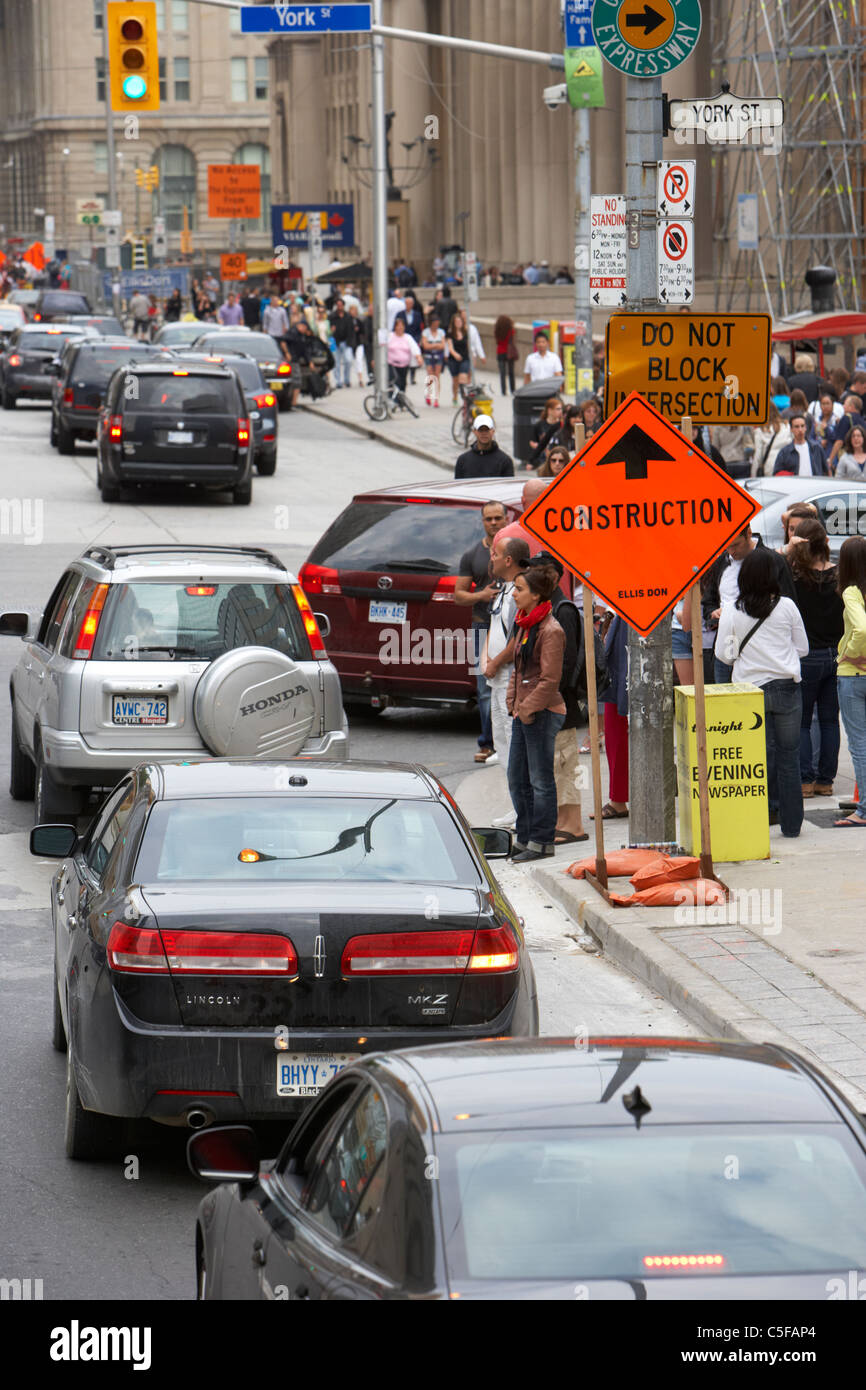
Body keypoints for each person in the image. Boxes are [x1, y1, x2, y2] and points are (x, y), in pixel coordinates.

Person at [716, 548, 809, 837]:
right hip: (786, 689)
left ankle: (756, 822)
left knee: (755, 759)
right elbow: (803, 648)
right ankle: (792, 826)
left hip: (749, 690)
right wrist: (780, 656)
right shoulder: (787, 607)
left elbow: (725, 655)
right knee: (788, 758)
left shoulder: (732, 611)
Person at [526, 552, 589, 846]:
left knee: (565, 763)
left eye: (537, 571)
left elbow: (567, 663)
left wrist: (547, 695)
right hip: (552, 701)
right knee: (556, 764)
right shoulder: (548, 608)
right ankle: (563, 820)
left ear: (552, 575)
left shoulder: (562, 610)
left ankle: (573, 823)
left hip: (561, 702)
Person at [506, 563, 566, 860]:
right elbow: (518, 670)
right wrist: (512, 701)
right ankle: (525, 835)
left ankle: (542, 842)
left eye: (519, 589)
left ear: (537, 595)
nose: (514, 594)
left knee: (540, 781)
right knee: (517, 779)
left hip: (542, 712)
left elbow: (550, 680)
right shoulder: (525, 624)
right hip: (523, 712)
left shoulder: (551, 630)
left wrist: (527, 708)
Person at [787, 519, 844, 798]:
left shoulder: (796, 578)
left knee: (804, 721)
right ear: (826, 544)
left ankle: (805, 780)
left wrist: (790, 549)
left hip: (807, 655)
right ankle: (825, 781)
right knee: (830, 720)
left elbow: (777, 566)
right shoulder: (840, 576)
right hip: (837, 655)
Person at [704, 527, 797, 682]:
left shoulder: (773, 561)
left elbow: (787, 603)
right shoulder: (722, 562)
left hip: (763, 649)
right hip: (726, 643)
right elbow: (709, 599)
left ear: (748, 534)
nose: (731, 551)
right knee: (725, 702)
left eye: (736, 545)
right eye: (726, 546)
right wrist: (713, 613)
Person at [455, 500, 509, 764]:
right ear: (482, 521)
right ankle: (487, 743)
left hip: (511, 624)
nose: (494, 523)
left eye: (498, 517)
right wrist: (482, 594)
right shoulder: (472, 554)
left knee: (512, 680)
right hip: (482, 624)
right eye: (489, 519)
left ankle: (506, 740)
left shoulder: (514, 550)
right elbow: (459, 595)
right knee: (485, 686)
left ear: (506, 518)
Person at [483, 533, 532, 824]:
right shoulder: (502, 590)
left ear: (509, 559)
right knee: (502, 743)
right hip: (495, 678)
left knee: (515, 745)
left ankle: (523, 808)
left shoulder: (519, 592)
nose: (492, 558)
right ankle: (517, 805)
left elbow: (519, 637)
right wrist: (485, 660)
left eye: (496, 554)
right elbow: (494, 627)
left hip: (509, 680)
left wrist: (495, 662)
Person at [834, 535, 866, 826]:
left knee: (859, 743)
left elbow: (862, 629)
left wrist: (849, 653)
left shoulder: (851, 591)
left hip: (854, 676)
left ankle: (865, 809)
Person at [595, 613, 629, 820]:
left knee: (617, 722)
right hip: (620, 625)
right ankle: (618, 797)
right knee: (614, 724)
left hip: (631, 627)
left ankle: (619, 798)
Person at [827, 396, 866, 472]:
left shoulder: (846, 418)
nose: (843, 406)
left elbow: (839, 441)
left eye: (845, 404)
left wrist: (830, 460)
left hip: (848, 456)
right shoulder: (862, 421)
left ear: (851, 406)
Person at [753, 402, 791, 476]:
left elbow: (758, 456)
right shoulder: (787, 426)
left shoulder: (760, 431)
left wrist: (753, 474)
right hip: (786, 466)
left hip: (769, 467)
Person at [386, 316, 422, 393]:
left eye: (401, 326)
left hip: (404, 365)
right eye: (398, 326)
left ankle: (400, 400)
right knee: (395, 381)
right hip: (392, 364)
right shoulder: (390, 336)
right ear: (395, 327)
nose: (400, 328)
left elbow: (414, 348)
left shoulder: (408, 337)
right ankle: (393, 400)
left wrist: (419, 357)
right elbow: (383, 348)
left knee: (402, 384)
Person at [527, 397, 563, 468]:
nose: (560, 411)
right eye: (558, 409)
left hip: (558, 459)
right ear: (550, 410)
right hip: (543, 459)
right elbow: (532, 441)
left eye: (561, 409)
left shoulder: (561, 425)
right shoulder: (539, 425)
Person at [397, 293, 424, 384]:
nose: (408, 305)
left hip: (414, 337)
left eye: (410, 303)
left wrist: (418, 338)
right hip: (403, 338)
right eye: (407, 303)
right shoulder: (400, 314)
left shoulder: (417, 315)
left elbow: (420, 327)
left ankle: (412, 376)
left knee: (413, 357)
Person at [446, 310, 471, 404]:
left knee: (463, 378)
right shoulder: (450, 334)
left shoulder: (466, 332)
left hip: (464, 358)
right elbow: (450, 347)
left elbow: (469, 346)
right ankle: (455, 396)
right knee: (455, 380)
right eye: (456, 322)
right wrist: (455, 355)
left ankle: (464, 397)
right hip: (453, 359)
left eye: (460, 321)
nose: (458, 323)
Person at [421, 313, 446, 406]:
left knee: (437, 376)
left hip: (438, 356)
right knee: (430, 375)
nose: (436, 325)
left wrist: (432, 345)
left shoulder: (441, 332)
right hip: (429, 356)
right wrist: (436, 345)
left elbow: (443, 345)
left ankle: (436, 398)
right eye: (435, 323)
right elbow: (425, 346)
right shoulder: (426, 332)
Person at [330, 298, 356, 388]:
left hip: (346, 342)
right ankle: (338, 381)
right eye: (338, 305)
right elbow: (329, 329)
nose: (339, 306)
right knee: (336, 362)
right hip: (336, 342)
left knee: (348, 361)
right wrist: (331, 331)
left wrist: (351, 342)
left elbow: (352, 330)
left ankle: (347, 379)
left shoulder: (348, 316)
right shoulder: (332, 316)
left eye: (341, 305)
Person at [494, 314, 518, 396]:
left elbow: (497, 342)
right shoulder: (511, 330)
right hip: (509, 352)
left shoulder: (497, 330)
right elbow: (513, 340)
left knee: (502, 373)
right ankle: (513, 389)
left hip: (500, 352)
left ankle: (503, 391)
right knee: (511, 372)